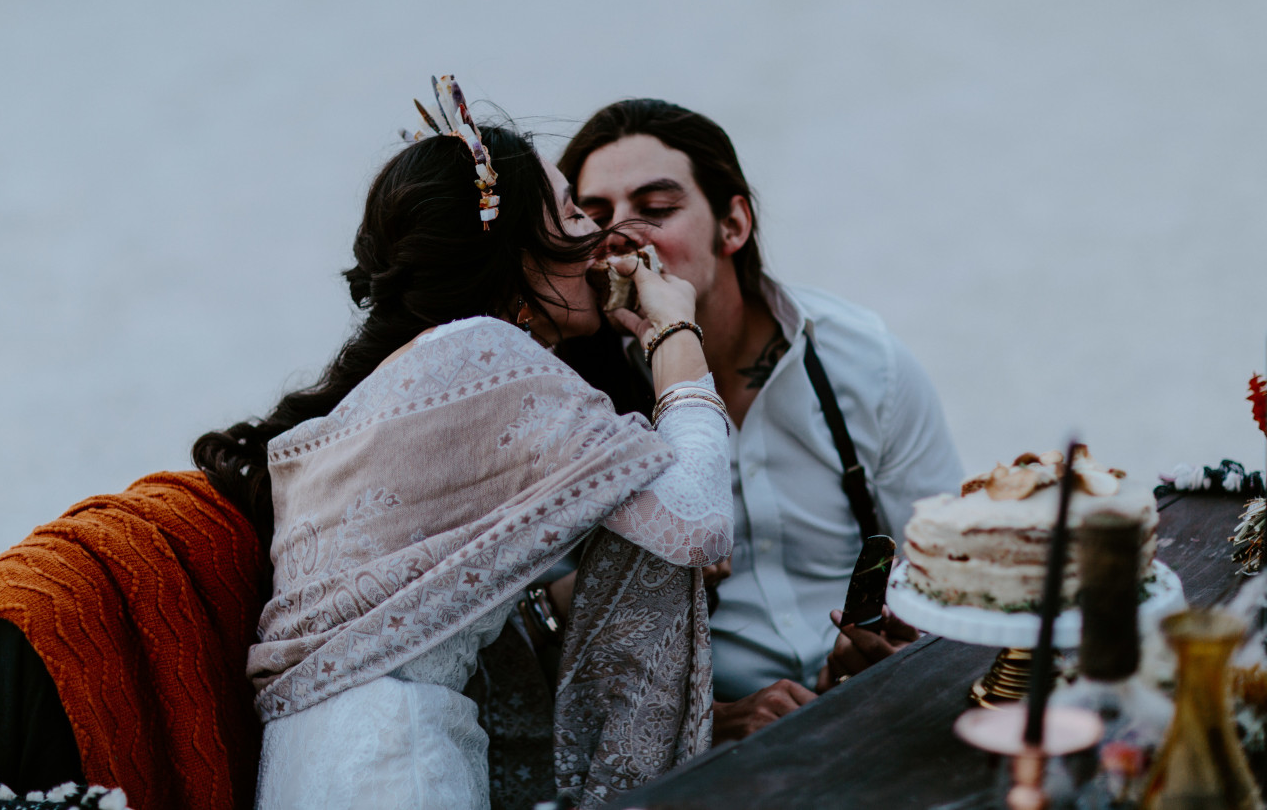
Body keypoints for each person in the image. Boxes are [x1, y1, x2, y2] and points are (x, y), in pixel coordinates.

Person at [197, 79, 734, 810]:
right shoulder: (485, 352)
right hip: (395, 764)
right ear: (518, 248)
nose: (604, 240)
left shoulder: (433, 368)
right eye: (575, 212)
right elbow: (698, 518)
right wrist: (676, 332)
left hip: (328, 758)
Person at [555, 98, 964, 744]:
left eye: (656, 210)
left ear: (733, 223)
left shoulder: (866, 362)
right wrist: (710, 723)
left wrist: (903, 650)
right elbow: (560, 630)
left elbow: (949, 564)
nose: (621, 236)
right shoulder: (574, 403)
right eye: (594, 216)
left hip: (877, 718)